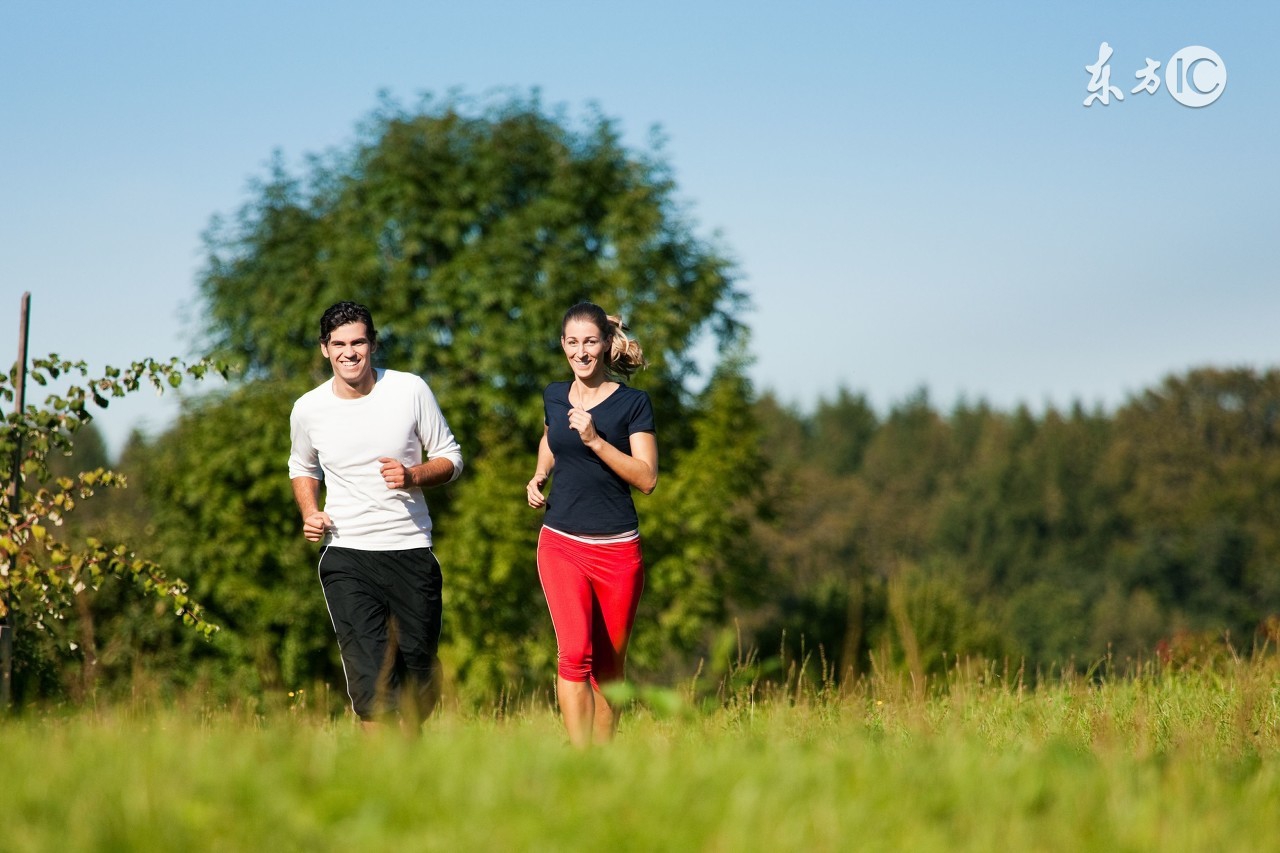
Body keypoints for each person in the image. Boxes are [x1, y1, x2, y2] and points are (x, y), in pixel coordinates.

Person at [288, 301, 463, 731]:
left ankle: (411, 776)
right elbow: (302, 466)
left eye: (359, 342)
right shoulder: (308, 409)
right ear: (325, 349)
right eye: (340, 344)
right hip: (347, 553)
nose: (350, 352)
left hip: (410, 550)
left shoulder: (409, 390)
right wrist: (311, 511)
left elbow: (451, 457)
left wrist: (412, 474)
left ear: (373, 344)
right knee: (373, 686)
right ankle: (378, 786)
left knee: (417, 681)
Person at [526, 302, 658, 747]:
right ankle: (579, 761)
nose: (581, 352)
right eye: (572, 342)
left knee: (609, 668)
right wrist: (540, 473)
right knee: (574, 653)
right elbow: (550, 437)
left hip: (619, 551)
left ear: (605, 345)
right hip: (561, 541)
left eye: (589, 342)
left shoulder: (632, 403)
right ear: (562, 344)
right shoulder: (554, 394)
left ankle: (602, 761)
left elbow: (647, 478)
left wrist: (595, 441)